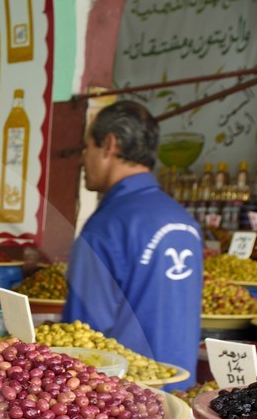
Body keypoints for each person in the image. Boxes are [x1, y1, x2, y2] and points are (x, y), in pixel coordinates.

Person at [63, 101, 202, 382]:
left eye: (87, 147)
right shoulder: (185, 221)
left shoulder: (107, 227)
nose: (82, 159)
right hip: (180, 393)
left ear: (109, 145)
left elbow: (80, 340)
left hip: (123, 404)